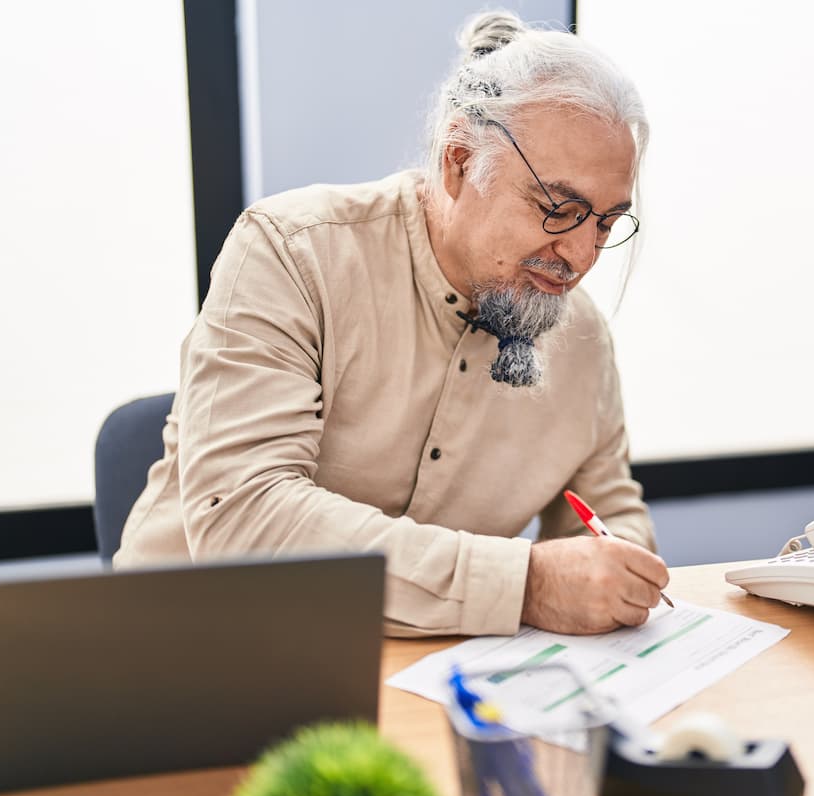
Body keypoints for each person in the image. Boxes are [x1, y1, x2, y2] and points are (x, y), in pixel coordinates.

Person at [114, 10, 668, 637]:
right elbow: (245, 519)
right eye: (559, 209)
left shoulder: (580, 334)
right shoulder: (293, 253)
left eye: (606, 222)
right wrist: (525, 585)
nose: (582, 256)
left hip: (418, 672)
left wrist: (617, 572)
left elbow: (607, 509)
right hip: (199, 647)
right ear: (458, 162)